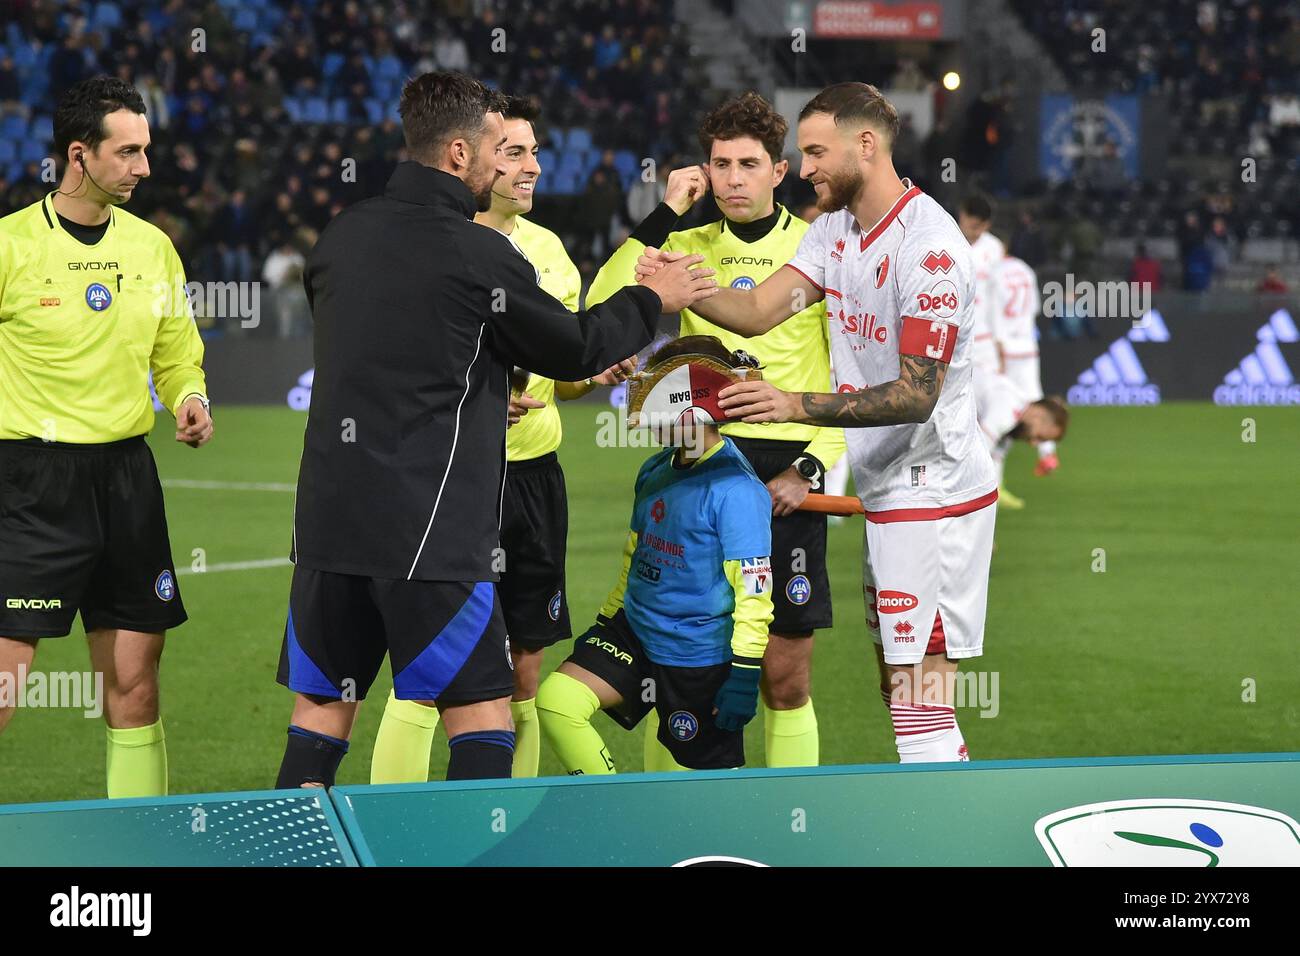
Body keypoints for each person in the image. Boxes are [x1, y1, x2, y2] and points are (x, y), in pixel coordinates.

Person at [274, 72, 715, 788]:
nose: (505, 164)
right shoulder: (480, 254)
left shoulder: (342, 235)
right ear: (456, 153)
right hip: (431, 534)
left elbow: (391, 352)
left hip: (327, 528)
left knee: (322, 712)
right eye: (493, 148)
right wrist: (650, 297)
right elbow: (573, 347)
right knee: (484, 716)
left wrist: (474, 382)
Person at [640, 82, 998, 763]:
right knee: (901, 683)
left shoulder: (931, 252)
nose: (803, 171)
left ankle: (944, 838)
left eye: (814, 153)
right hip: (891, 489)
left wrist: (793, 403)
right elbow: (759, 311)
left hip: (936, 493)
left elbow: (917, 394)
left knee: (920, 697)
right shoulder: (837, 232)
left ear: (866, 146)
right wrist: (684, 284)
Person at [368, 96, 637, 783]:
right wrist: (482, 399)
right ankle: (392, 825)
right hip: (458, 482)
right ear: (481, 158)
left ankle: (507, 823)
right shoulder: (439, 242)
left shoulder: (548, 251)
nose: (530, 167)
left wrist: (589, 371)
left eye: (536, 152)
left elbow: (565, 376)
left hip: (535, 479)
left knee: (525, 663)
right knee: (433, 666)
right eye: (514, 151)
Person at [588, 91, 845, 768]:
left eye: (748, 164)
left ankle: (791, 822)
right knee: (676, 662)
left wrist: (809, 470)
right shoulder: (685, 245)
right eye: (721, 163)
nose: (733, 178)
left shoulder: (816, 252)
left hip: (786, 472)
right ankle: (675, 821)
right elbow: (601, 299)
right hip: (701, 466)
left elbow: (850, 383)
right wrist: (667, 208)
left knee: (784, 677)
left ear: (778, 171)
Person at [0, 76, 213, 797]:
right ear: (79, 154)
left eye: (146, 151)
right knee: (4, 683)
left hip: (126, 479)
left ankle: (141, 845)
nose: (144, 168)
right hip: (29, 481)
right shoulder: (11, 246)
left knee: (135, 684)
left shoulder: (153, 249)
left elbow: (177, 350)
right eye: (128, 152)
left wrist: (189, 396)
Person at [537, 336, 774, 773]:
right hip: (635, 632)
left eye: (657, 403)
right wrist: (609, 620)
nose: (645, 417)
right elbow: (636, 555)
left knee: (700, 795)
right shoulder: (655, 469)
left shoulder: (738, 492)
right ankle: (618, 816)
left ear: (694, 407)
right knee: (557, 702)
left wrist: (744, 673)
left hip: (697, 653)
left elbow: (755, 594)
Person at [992, 254, 1059, 478]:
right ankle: (1047, 453)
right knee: (1037, 405)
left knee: (1003, 416)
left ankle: (994, 479)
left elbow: (989, 312)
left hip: (1002, 349)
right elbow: (1034, 309)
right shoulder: (1025, 270)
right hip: (1027, 346)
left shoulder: (993, 271)